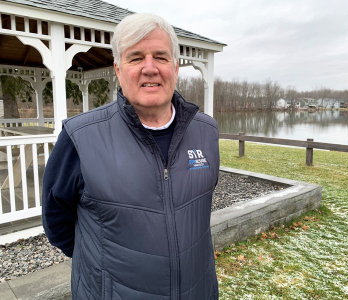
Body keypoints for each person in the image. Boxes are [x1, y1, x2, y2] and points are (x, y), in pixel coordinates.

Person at [42, 13, 220, 300]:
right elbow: (57, 222)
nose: (150, 68)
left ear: (175, 67)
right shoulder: (80, 137)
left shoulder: (206, 131)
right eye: (136, 58)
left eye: (161, 57)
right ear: (118, 68)